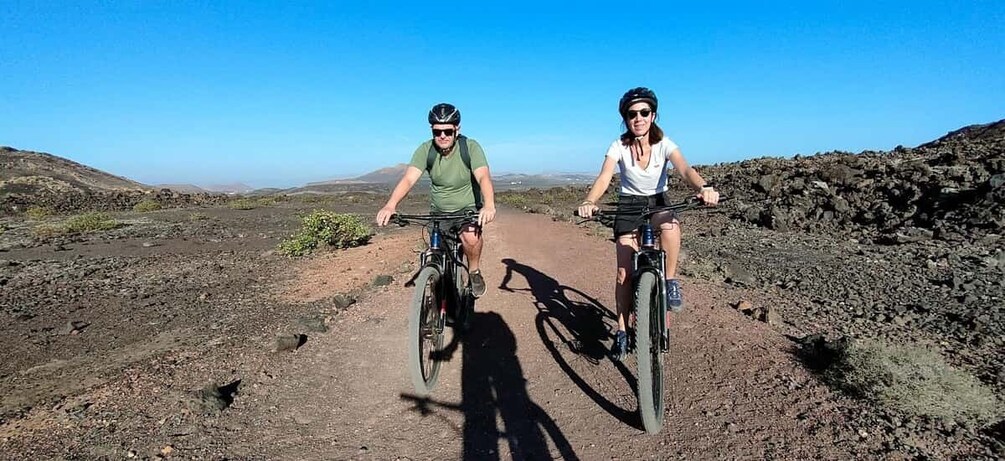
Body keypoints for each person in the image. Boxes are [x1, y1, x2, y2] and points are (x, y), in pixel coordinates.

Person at [577, 87, 720, 360]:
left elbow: (685, 169)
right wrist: (590, 201)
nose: (638, 118)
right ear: (625, 119)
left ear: (653, 115)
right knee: (623, 273)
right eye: (632, 114)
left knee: (670, 226)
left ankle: (670, 280)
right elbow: (605, 176)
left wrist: (704, 187)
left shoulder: (664, 143)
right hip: (628, 204)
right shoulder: (618, 146)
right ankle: (622, 330)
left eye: (644, 112)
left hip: (657, 201)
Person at [376, 103, 496, 297]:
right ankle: (434, 298)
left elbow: (483, 177)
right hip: (439, 213)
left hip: (467, 210)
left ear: (457, 129)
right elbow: (408, 179)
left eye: (448, 131)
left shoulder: (470, 147)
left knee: (471, 238)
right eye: (437, 132)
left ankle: (474, 271)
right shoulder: (426, 150)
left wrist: (489, 205)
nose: (442, 136)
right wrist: (390, 205)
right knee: (434, 254)